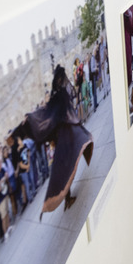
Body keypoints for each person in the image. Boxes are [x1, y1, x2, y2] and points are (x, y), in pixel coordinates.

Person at [35, 65, 96, 215]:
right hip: (64, 137)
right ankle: (66, 198)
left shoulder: (57, 96)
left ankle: (67, 198)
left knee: (65, 168)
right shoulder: (59, 96)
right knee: (66, 168)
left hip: (62, 137)